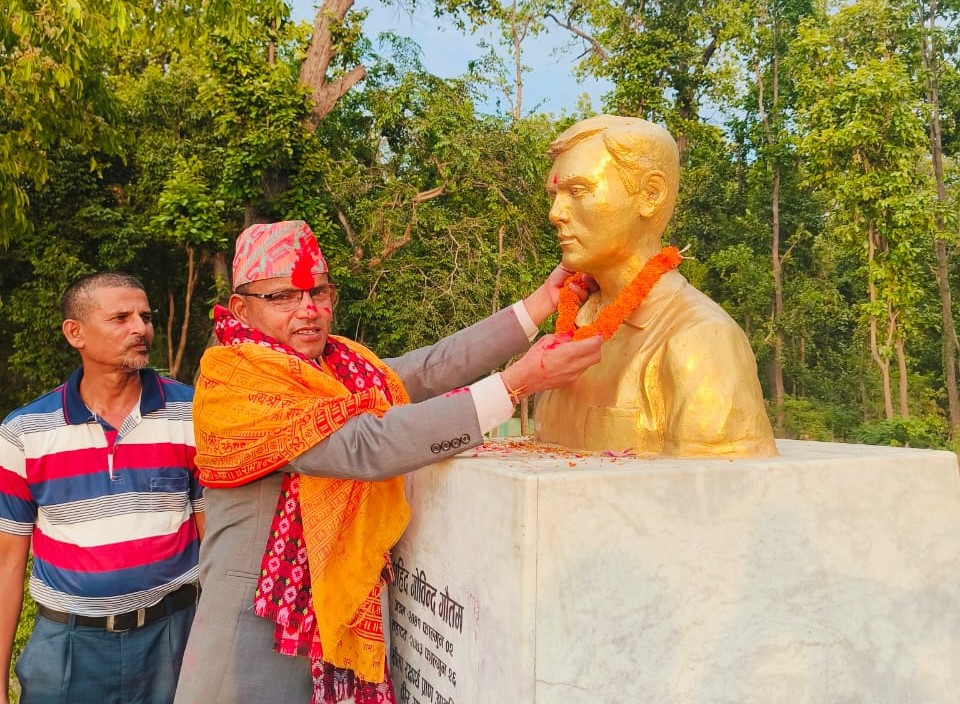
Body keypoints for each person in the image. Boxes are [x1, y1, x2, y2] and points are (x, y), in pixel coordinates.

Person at [172, 220, 602, 704]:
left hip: (336, 613)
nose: (308, 310)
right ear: (241, 308)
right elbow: (366, 446)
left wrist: (540, 304)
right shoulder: (234, 381)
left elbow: (426, 370)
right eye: (283, 297)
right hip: (255, 629)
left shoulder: (339, 366)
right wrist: (515, 384)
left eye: (318, 292)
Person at [0, 272, 205, 704]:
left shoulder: (192, 414)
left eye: (145, 317)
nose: (140, 328)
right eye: (121, 317)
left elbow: (214, 535)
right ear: (75, 333)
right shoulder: (25, 432)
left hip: (175, 635)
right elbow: (7, 562)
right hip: (68, 646)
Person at [533, 115, 778, 457]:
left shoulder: (701, 341)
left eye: (577, 191)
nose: (555, 213)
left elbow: (724, 495)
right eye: (554, 195)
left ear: (650, 195)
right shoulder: (571, 327)